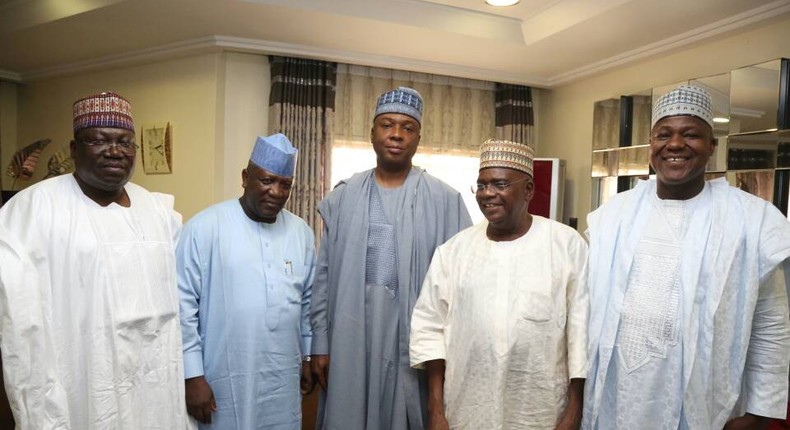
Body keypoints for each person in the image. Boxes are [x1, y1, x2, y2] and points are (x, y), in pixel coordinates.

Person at [583, 84, 790, 429]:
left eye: (690, 134)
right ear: (651, 145)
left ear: (711, 146)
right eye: (664, 134)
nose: (675, 144)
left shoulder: (750, 221)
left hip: (705, 404)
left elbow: (772, 325)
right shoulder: (613, 215)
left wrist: (759, 412)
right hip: (616, 400)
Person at [0, 92, 189, 428]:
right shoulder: (34, 208)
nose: (115, 151)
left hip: (153, 386)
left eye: (125, 142)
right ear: (74, 149)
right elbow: (17, 311)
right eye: (99, 140)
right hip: (81, 381)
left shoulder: (159, 211)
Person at [311, 86, 472, 429]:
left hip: (413, 343)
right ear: (372, 132)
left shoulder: (445, 201)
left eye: (407, 127)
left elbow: (462, 285)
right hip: (351, 336)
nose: (396, 134)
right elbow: (323, 278)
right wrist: (320, 344)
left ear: (418, 137)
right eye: (387, 124)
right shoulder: (343, 198)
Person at [409, 139, 589, 430]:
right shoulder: (454, 251)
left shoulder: (566, 245)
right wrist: (436, 411)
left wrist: (572, 414)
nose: (487, 194)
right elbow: (429, 330)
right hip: (468, 409)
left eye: (500, 184)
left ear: (528, 189)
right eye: (481, 185)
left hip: (540, 411)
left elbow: (581, 335)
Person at [178, 134, 316, 429]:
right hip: (221, 378)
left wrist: (306, 356)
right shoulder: (204, 228)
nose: (276, 192)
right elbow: (181, 306)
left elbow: (307, 302)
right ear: (245, 177)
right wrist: (192, 376)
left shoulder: (301, 233)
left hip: (282, 378)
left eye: (285, 184)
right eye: (266, 181)